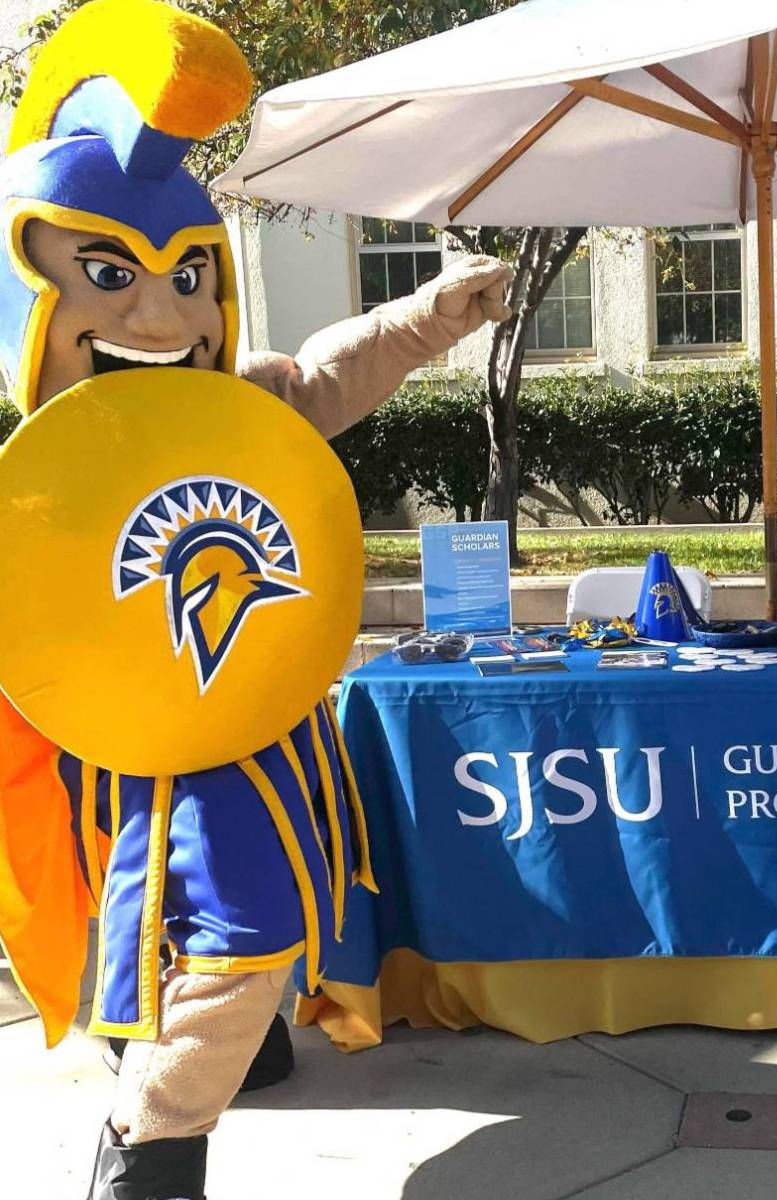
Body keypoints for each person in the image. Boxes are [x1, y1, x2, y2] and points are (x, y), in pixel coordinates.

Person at [0, 2, 512, 1197]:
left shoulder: (246, 409)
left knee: (249, 921)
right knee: (161, 928)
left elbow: (331, 371)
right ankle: (158, 1145)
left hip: (246, 728)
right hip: (109, 743)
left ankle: (166, 1123)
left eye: (189, 276)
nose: (159, 316)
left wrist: (430, 313)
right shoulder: (28, 467)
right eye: (112, 274)